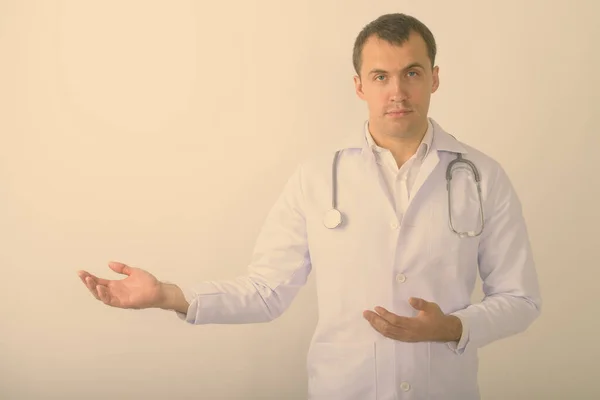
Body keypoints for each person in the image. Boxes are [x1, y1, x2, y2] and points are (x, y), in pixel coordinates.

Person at [77, 13, 541, 400]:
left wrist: (453, 327)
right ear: (360, 86)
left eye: (412, 73)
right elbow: (266, 291)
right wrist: (167, 296)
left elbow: (520, 299)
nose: (397, 91)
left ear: (434, 78)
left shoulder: (483, 176)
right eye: (381, 76)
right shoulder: (317, 178)